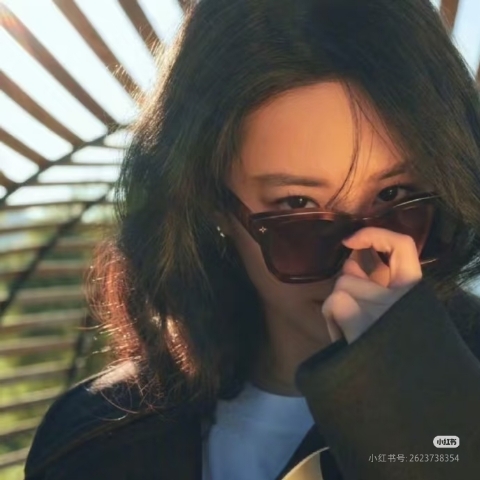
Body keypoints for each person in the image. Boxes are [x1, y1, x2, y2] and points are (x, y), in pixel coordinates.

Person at [24, 0, 480, 478]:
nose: (360, 258)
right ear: (212, 201)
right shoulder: (92, 438)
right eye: (297, 206)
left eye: (395, 196)